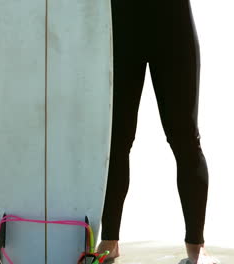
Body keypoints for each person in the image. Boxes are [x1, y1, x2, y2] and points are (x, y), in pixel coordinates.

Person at [95, 0, 218, 263]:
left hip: (173, 28)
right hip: (121, 27)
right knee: (115, 140)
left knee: (185, 139)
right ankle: (109, 240)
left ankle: (197, 248)